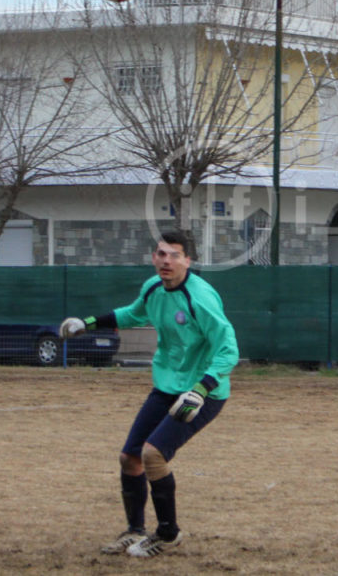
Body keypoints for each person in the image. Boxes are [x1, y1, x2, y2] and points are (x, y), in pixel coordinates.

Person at [60, 231, 240, 558]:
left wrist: (202, 389)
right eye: (160, 254)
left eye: (174, 255)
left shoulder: (201, 298)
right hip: (167, 386)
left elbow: (229, 350)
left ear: (189, 261)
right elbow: (132, 314)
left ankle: (168, 534)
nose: (165, 260)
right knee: (130, 458)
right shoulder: (153, 288)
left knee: (153, 455)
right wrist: (87, 323)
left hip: (203, 393)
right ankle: (134, 531)